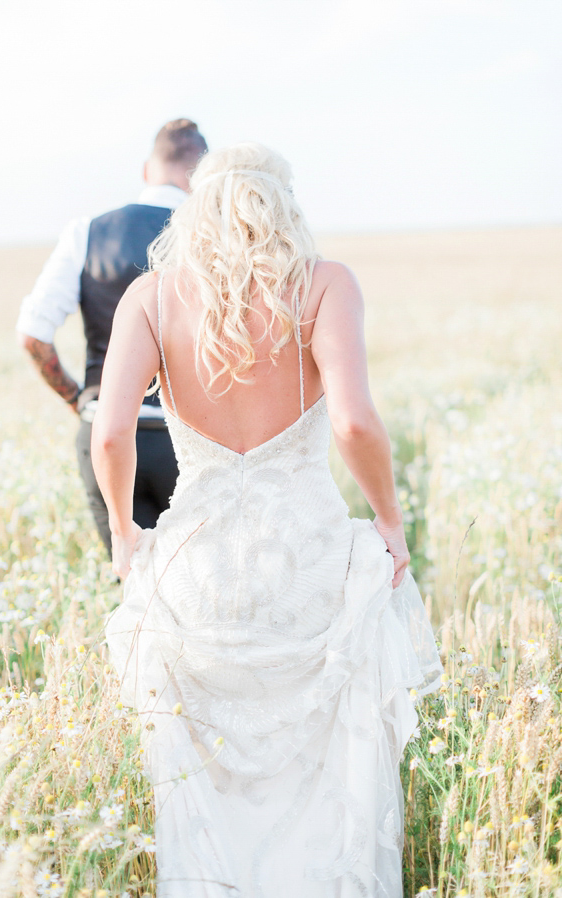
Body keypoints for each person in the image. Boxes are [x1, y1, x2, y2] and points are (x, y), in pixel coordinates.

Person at [93, 145, 443, 896]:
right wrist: (389, 521)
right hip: (306, 560)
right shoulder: (325, 286)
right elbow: (353, 423)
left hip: (197, 565)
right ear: (284, 205)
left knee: (205, 781)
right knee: (325, 774)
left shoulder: (150, 300)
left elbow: (111, 432)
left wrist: (125, 532)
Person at [17, 118, 207, 555]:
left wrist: (79, 400)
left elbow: (32, 336)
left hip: (105, 434)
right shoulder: (216, 237)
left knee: (133, 585)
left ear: (147, 171)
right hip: (192, 443)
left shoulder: (87, 232)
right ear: (201, 177)